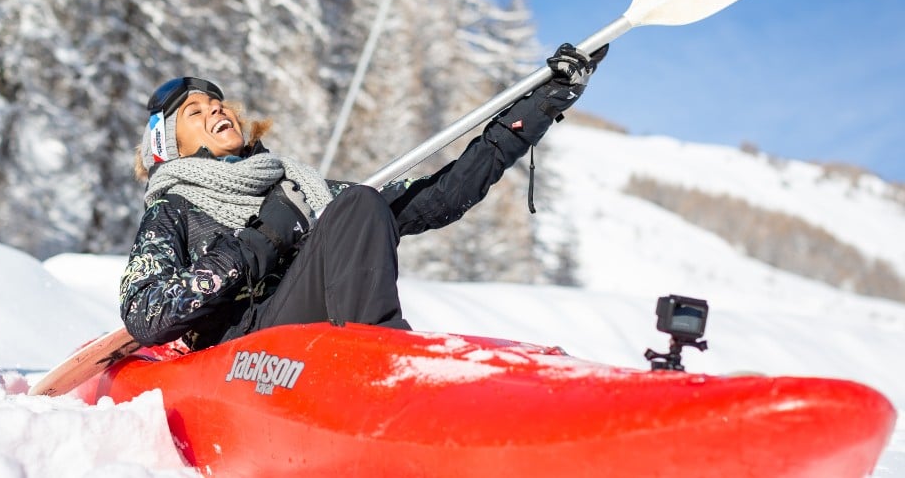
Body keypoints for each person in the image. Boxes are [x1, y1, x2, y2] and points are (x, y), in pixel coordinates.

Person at [120, 43, 608, 350]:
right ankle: (384, 359)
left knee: (360, 201)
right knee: (355, 202)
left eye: (217, 103)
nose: (215, 110)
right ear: (169, 145)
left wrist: (535, 111)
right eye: (194, 112)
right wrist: (261, 238)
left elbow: (439, 200)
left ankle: (379, 352)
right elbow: (146, 313)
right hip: (242, 353)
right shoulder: (173, 209)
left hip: (311, 340)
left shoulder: (292, 188)